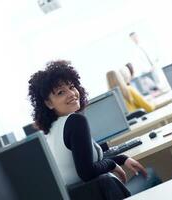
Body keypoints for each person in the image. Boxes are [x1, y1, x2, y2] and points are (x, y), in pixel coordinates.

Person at [28, 60, 160, 196]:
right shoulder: (75, 121)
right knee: (149, 174)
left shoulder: (50, 132)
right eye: (61, 92)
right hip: (101, 194)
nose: (72, 94)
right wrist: (112, 164)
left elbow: (80, 164)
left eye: (72, 87)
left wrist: (120, 159)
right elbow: (86, 172)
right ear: (48, 103)